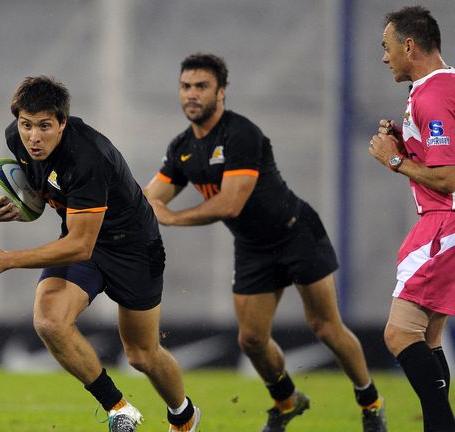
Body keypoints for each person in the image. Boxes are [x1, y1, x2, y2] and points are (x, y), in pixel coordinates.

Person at [143, 53, 387, 432]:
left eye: (201, 87)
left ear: (221, 92)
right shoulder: (182, 148)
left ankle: (370, 403)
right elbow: (148, 199)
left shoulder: (240, 133)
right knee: (252, 340)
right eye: (185, 86)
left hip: (297, 233)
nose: (192, 94)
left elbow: (231, 201)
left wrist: (173, 218)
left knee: (326, 328)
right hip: (254, 247)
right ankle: (287, 400)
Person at [0, 76, 200, 432]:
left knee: (142, 354)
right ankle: (119, 408)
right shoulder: (17, 140)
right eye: (26, 124)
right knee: (49, 321)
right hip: (84, 241)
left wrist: (7, 259)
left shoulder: (88, 158)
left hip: (134, 249)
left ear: (62, 123)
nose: (33, 136)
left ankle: (184, 417)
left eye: (44, 126)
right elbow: (43, 194)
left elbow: (80, 245)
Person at [369, 6, 455, 431]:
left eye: (387, 47)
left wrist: (396, 159)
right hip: (441, 224)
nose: (384, 58)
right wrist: (406, 141)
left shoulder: (434, 94)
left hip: (445, 223)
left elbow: (448, 178)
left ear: (408, 45)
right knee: (428, 337)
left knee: (399, 334)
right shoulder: (440, 86)